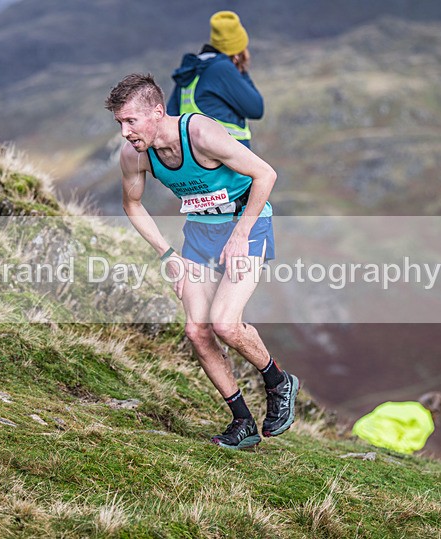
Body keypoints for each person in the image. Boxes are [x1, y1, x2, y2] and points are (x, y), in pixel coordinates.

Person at [105, 73, 298, 450]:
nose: (125, 132)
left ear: (157, 113)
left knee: (225, 323)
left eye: (131, 121)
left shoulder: (200, 134)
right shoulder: (135, 155)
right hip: (200, 233)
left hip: (247, 224)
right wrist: (167, 254)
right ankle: (242, 421)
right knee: (197, 331)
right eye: (120, 123)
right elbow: (132, 204)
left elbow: (265, 174)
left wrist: (241, 235)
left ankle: (278, 381)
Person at [167, 11, 263, 148]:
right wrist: (242, 69)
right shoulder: (222, 69)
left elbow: (171, 116)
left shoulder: (191, 69)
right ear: (237, 51)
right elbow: (256, 108)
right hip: (226, 163)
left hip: (192, 162)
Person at [351, 392, 441, 455]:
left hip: (358, 433)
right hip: (378, 443)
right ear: (439, 413)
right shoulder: (425, 421)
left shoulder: (405, 406)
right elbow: (408, 446)